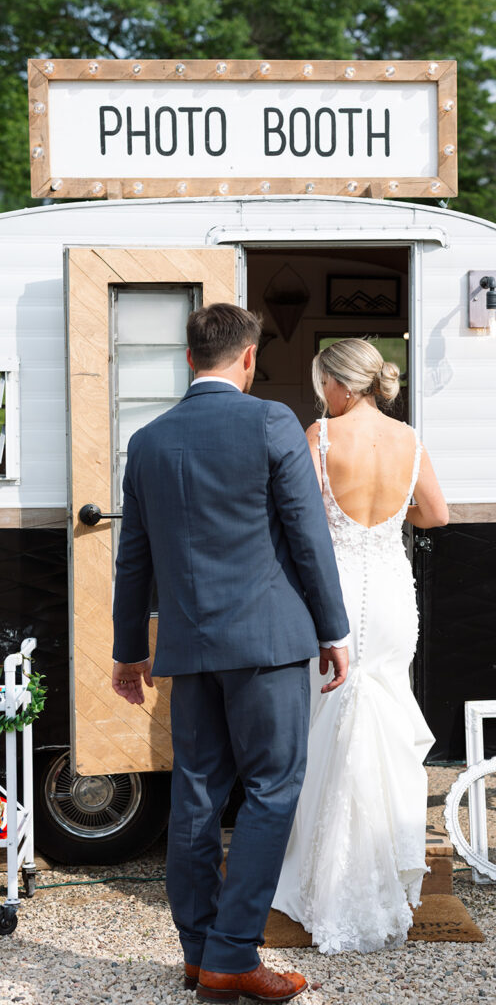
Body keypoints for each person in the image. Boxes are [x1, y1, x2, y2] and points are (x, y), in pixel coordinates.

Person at [111, 303, 350, 1004]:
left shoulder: (148, 441)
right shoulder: (273, 422)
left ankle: (200, 952)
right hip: (270, 644)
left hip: (190, 647)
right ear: (248, 358)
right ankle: (233, 955)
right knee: (271, 791)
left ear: (190, 359)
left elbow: (133, 559)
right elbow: (308, 536)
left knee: (195, 795)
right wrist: (334, 631)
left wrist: (130, 650)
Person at [272, 337, 449, 953]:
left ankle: (325, 879)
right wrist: (391, 518)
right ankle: (383, 875)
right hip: (393, 592)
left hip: (338, 589)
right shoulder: (409, 440)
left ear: (338, 385)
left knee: (330, 718)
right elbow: (437, 515)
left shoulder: (320, 435)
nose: (322, 393)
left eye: (323, 382)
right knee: (385, 715)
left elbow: (294, 518)